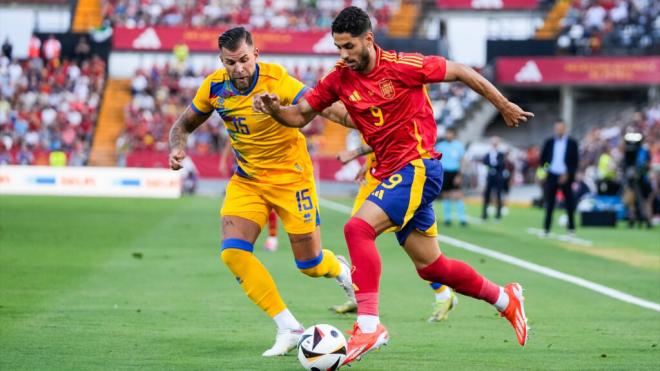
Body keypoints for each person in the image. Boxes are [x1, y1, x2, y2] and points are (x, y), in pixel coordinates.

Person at [254, 6, 533, 365]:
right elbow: (298, 116)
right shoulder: (338, 79)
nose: (343, 55)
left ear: (368, 39)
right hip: (391, 174)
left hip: (419, 166)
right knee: (432, 267)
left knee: (357, 228)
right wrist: (275, 110)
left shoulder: (404, 65)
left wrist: (504, 104)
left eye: (349, 47)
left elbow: (462, 71)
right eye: (338, 47)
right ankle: (506, 299)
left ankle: (368, 325)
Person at [168, 27, 356, 357]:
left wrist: (360, 120)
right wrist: (177, 148)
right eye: (231, 62)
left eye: (244, 59)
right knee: (233, 253)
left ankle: (339, 268)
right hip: (248, 180)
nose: (239, 68)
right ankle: (289, 326)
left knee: (310, 264)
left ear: (256, 54)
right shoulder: (214, 87)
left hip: (291, 178)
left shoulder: (277, 78)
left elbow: (317, 105)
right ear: (221, 61)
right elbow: (182, 124)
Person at [336, 142, 458, 322]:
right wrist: (368, 163)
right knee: (358, 232)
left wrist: (355, 153)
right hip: (379, 171)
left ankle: (444, 293)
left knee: (417, 248)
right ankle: (359, 296)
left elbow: (385, 133)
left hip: (399, 172)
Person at [540, 119, 579, 235]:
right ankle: (546, 229)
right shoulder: (549, 142)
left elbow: (575, 161)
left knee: (569, 203)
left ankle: (571, 228)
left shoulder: (572, 143)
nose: (559, 130)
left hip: (566, 176)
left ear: (565, 128)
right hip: (552, 175)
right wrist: (546, 170)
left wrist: (568, 173)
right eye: (557, 128)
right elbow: (543, 160)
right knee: (550, 203)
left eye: (561, 128)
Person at [435, 127, 467, 226]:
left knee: (458, 195)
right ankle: (447, 218)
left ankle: (462, 218)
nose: (448, 135)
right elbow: (435, 160)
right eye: (447, 133)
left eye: (450, 133)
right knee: (446, 195)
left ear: (453, 134)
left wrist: (459, 175)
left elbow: (462, 161)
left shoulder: (458, 146)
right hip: (444, 172)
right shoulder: (440, 146)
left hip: (455, 172)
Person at [482, 136, 505, 220]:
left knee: (498, 194)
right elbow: (485, 162)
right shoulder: (488, 153)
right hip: (490, 176)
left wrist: (493, 164)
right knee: (487, 194)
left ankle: (498, 214)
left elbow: (501, 164)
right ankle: (484, 214)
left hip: (498, 176)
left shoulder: (501, 154)